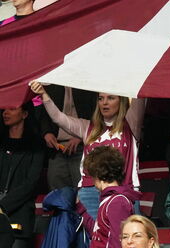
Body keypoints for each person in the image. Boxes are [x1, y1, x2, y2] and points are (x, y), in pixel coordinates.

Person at [29, 81, 145, 220]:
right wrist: (43, 94)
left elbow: (141, 92)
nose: (104, 103)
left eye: (111, 98)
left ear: (121, 102)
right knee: (92, 240)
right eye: (101, 98)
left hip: (123, 189)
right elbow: (58, 118)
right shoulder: (88, 127)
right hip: (89, 192)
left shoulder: (131, 124)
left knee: (125, 239)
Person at [0, 102, 45, 248]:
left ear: (25, 114)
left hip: (20, 213)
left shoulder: (36, 145)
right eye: (4, 109)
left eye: (12, 108)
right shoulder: (1, 143)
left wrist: (3, 205)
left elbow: (31, 183)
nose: (5, 112)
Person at [78, 146, 141, 248]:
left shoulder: (117, 202)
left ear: (97, 174)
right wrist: (79, 207)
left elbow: (119, 242)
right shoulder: (110, 200)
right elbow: (98, 233)